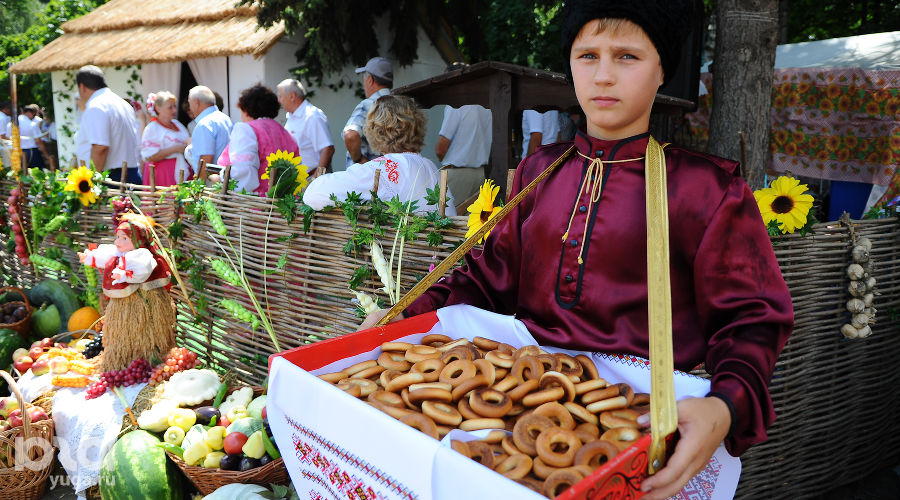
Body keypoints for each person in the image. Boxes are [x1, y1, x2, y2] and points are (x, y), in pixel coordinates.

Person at [360, 1, 794, 498]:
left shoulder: (706, 190)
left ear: (661, 73)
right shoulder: (538, 173)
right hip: (517, 414)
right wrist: (404, 316)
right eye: (588, 55)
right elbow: (483, 279)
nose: (604, 76)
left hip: (639, 429)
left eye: (627, 57)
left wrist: (726, 405)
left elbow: (752, 319)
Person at [305, 95, 456, 215]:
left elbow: (313, 194)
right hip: (441, 253)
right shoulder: (430, 166)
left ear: (374, 130)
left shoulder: (383, 169)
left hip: (402, 253)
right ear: (418, 127)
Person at [78, 213, 175, 372]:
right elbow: (104, 256)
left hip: (143, 300)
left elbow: (141, 272)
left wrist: (124, 275)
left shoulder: (142, 256)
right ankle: (121, 360)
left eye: (124, 238)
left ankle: (150, 359)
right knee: (122, 332)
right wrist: (89, 258)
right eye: (117, 237)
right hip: (122, 304)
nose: (117, 242)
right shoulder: (117, 253)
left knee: (146, 330)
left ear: (137, 240)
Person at [217, 84, 299, 195]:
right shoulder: (285, 133)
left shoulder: (247, 130)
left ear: (246, 110)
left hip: (256, 205)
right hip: (284, 204)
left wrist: (219, 177)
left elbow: (243, 174)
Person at [76, 65, 142, 183]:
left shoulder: (96, 105)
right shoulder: (122, 103)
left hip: (111, 177)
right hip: (130, 173)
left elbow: (100, 148)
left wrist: (93, 182)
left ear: (82, 87)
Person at [277, 78, 334, 178]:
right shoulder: (292, 116)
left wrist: (317, 178)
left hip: (312, 178)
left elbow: (328, 149)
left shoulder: (312, 116)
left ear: (292, 96)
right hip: (299, 180)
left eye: (280, 96)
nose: (279, 100)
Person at [436, 103, 492, 203]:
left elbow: (441, 149)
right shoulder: (487, 106)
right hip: (480, 173)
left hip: (457, 174)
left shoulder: (456, 104)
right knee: (472, 217)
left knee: (448, 216)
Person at [343, 56, 393, 167]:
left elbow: (350, 135)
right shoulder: (401, 104)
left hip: (367, 178)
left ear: (370, 80)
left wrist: (359, 159)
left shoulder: (369, 104)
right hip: (393, 176)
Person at [140, 91, 191, 186]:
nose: (174, 110)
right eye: (170, 107)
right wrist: (175, 149)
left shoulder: (178, 125)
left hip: (180, 171)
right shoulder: (152, 128)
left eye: (175, 106)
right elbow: (149, 156)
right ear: (158, 108)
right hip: (161, 174)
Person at [188, 85, 233, 169]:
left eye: (189, 103)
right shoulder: (226, 119)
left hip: (213, 179)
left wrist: (201, 182)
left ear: (196, 103)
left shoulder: (204, 124)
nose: (190, 108)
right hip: (227, 177)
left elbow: (206, 160)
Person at [12, 104, 49, 169]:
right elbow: (38, 141)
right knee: (38, 172)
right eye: (34, 115)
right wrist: (46, 155)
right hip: (31, 151)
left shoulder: (13, 122)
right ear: (29, 113)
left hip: (16, 151)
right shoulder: (32, 124)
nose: (34, 117)